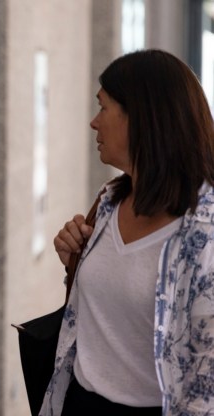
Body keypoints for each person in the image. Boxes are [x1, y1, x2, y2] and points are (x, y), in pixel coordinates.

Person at [42, 49, 214, 416]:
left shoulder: (205, 230)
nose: (93, 122)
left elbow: (206, 374)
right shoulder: (108, 200)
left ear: (143, 118)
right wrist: (73, 262)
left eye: (103, 107)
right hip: (79, 403)